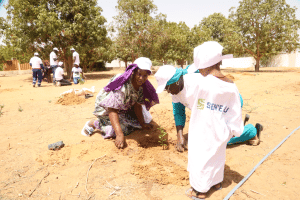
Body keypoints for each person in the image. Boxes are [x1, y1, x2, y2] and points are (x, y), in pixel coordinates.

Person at [155, 41, 244, 199]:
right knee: (217, 155)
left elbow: (202, 104)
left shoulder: (200, 83)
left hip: (204, 128)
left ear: (206, 65)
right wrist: (234, 129)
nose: (199, 70)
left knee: (199, 158)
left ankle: (200, 190)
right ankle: (216, 183)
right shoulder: (231, 85)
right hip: (222, 126)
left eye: (201, 67)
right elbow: (235, 108)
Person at [170, 65, 263, 152]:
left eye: (169, 87)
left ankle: (250, 132)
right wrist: (180, 135)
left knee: (215, 141)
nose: (168, 91)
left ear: (177, 81)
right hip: (211, 110)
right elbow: (178, 112)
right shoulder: (177, 90)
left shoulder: (197, 81)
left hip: (227, 105)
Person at [81, 57, 159, 149]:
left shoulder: (142, 87)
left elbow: (137, 106)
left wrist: (142, 124)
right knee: (119, 130)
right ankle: (94, 123)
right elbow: (112, 109)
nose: (141, 78)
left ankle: (118, 123)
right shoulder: (124, 85)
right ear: (133, 72)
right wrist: (119, 134)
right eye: (139, 74)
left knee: (136, 125)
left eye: (145, 76)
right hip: (106, 108)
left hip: (123, 107)